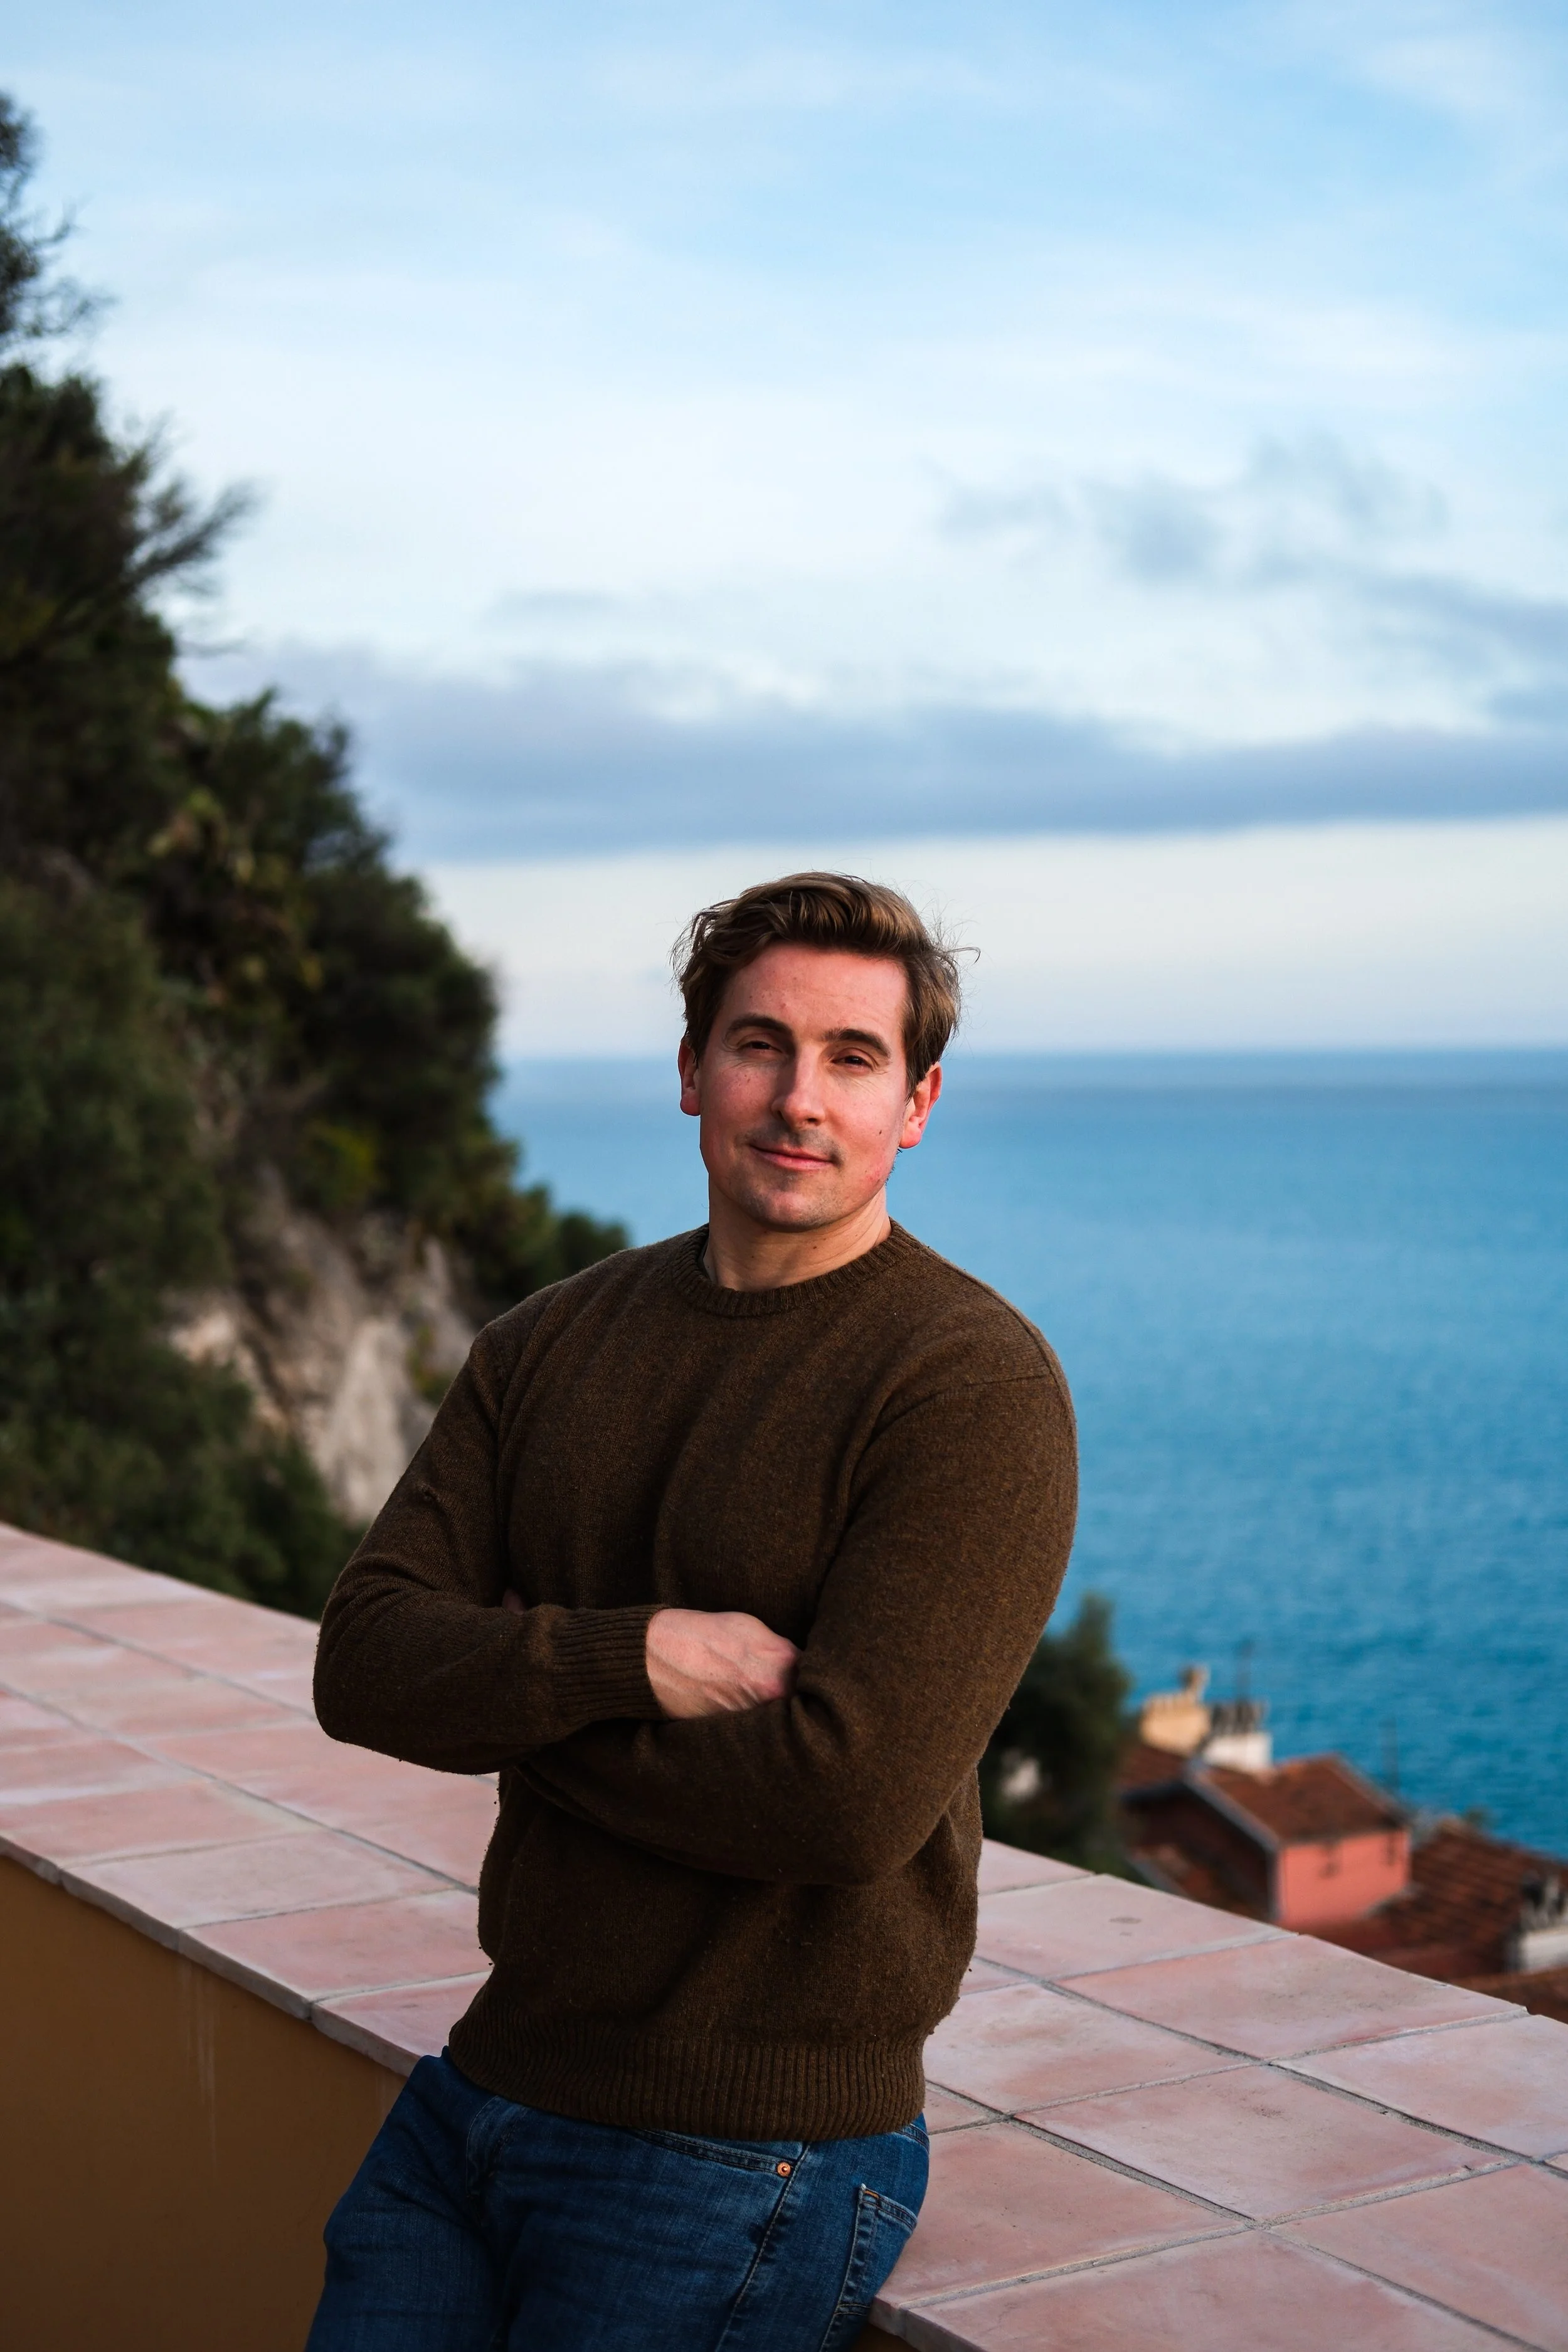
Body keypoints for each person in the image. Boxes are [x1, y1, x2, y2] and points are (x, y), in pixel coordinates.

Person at [308, 872, 1077, 2351]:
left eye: (851, 1059)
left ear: (913, 1104)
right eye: (758, 1045)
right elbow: (366, 1662)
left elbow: (842, 1805)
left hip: (742, 2152)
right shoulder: (547, 1343)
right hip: (482, 2086)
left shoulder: (968, 1386)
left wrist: (518, 1711)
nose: (799, 1098)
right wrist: (629, 1657)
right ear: (688, 1073)